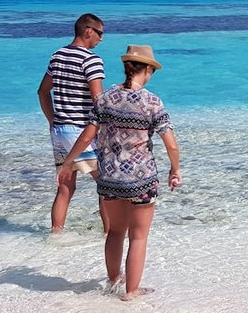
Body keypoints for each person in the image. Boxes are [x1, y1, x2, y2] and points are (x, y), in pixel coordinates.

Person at [57, 44, 182, 301]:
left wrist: (68, 162)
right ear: (147, 69)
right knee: (138, 237)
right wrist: (175, 169)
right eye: (152, 70)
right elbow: (171, 144)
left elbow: (87, 136)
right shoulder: (151, 102)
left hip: (110, 178)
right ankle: (131, 291)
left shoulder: (105, 98)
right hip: (141, 179)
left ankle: (114, 280)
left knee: (115, 232)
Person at [37, 13, 109, 234]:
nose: (101, 39)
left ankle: (56, 236)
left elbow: (42, 92)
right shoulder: (91, 60)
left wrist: (52, 120)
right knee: (107, 185)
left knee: (65, 186)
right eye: (100, 33)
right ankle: (110, 235)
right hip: (80, 131)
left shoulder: (57, 56)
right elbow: (98, 100)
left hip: (60, 131)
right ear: (88, 31)